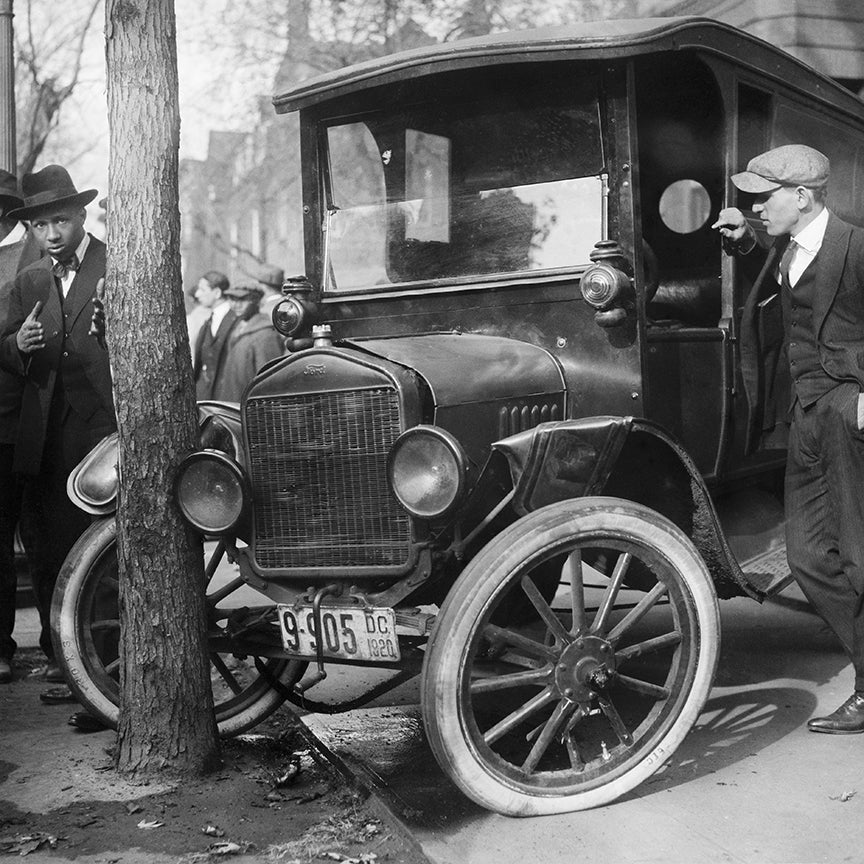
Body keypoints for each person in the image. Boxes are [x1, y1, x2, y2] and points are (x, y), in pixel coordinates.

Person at [713, 144, 864, 734]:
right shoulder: (787, 245)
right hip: (804, 417)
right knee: (806, 559)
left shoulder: (856, 247)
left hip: (848, 412)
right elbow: (780, 252)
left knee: (858, 555)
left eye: (763, 195)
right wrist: (746, 232)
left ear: (801, 198)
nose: (754, 203)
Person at [0, 165, 114, 683]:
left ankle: (105, 661)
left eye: (61, 221)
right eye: (40, 226)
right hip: (43, 433)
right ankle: (59, 658)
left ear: (82, 216)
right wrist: (16, 349)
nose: (50, 234)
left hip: (100, 431)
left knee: (100, 548)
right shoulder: (28, 281)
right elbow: (6, 350)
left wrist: (113, 332)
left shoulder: (117, 263)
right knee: (46, 548)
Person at [215, 285, 285, 402]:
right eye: (232, 299)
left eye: (242, 300)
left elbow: (269, 384)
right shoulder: (238, 328)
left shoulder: (265, 335)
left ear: (256, 302)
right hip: (233, 408)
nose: (236, 305)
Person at [192, 271, 237, 400]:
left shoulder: (236, 320)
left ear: (217, 292)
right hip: (205, 397)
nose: (197, 294)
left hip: (226, 398)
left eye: (202, 289)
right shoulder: (208, 322)